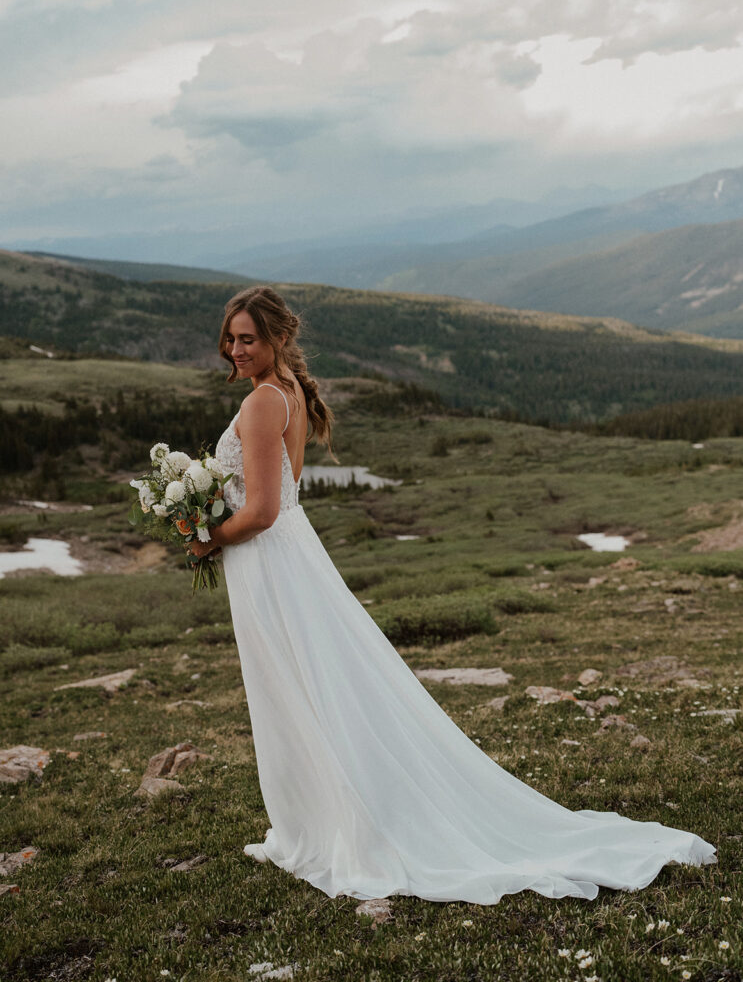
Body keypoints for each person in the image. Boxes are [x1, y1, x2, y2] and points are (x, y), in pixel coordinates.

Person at [187, 284, 717, 905]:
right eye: (231, 338)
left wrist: (205, 537)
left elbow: (267, 510)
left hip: (273, 563)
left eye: (248, 337)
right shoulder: (291, 393)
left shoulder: (260, 405)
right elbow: (288, 491)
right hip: (293, 558)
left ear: (278, 337)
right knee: (321, 685)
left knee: (298, 689)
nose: (236, 348)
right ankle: (326, 816)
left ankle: (334, 826)